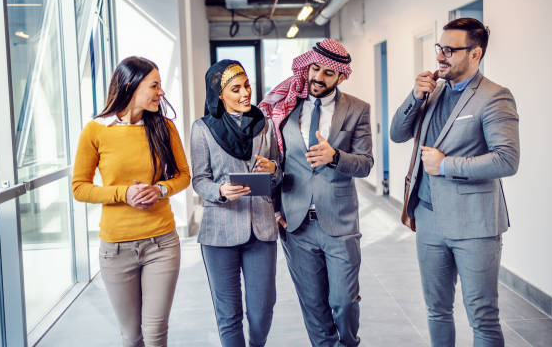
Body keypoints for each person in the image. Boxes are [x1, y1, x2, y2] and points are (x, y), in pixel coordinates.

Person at [390, 18, 520, 346]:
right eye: (440, 48)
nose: (441, 56)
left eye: (450, 50)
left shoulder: (495, 97)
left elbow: (507, 159)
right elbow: (397, 134)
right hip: (429, 218)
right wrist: (414, 97)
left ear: (475, 54)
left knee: (483, 316)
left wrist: (447, 165)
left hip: (475, 225)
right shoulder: (432, 91)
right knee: (437, 309)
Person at [259, 39, 373, 347]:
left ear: (341, 77)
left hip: (340, 224)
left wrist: (334, 157)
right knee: (314, 306)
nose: (318, 77)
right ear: (306, 66)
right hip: (296, 225)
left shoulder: (358, 110)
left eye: (327, 73)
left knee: (344, 301)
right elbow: (273, 164)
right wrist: (275, 209)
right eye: (314, 68)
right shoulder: (285, 109)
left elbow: (365, 164)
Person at [72, 56, 190, 347]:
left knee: (155, 332)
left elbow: (184, 175)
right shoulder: (96, 131)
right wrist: (123, 193)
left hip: (161, 244)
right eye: (154, 85)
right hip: (116, 249)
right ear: (130, 85)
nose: (160, 92)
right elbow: (79, 188)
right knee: (132, 336)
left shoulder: (164, 127)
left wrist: (160, 190)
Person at [190, 60, 282, 347]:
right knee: (228, 315)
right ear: (219, 94)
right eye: (236, 89)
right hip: (219, 231)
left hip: (262, 229)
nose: (245, 94)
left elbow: (278, 172)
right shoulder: (202, 129)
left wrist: (273, 170)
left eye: (247, 86)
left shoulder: (264, 124)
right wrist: (220, 190)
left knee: (262, 311)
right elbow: (199, 179)